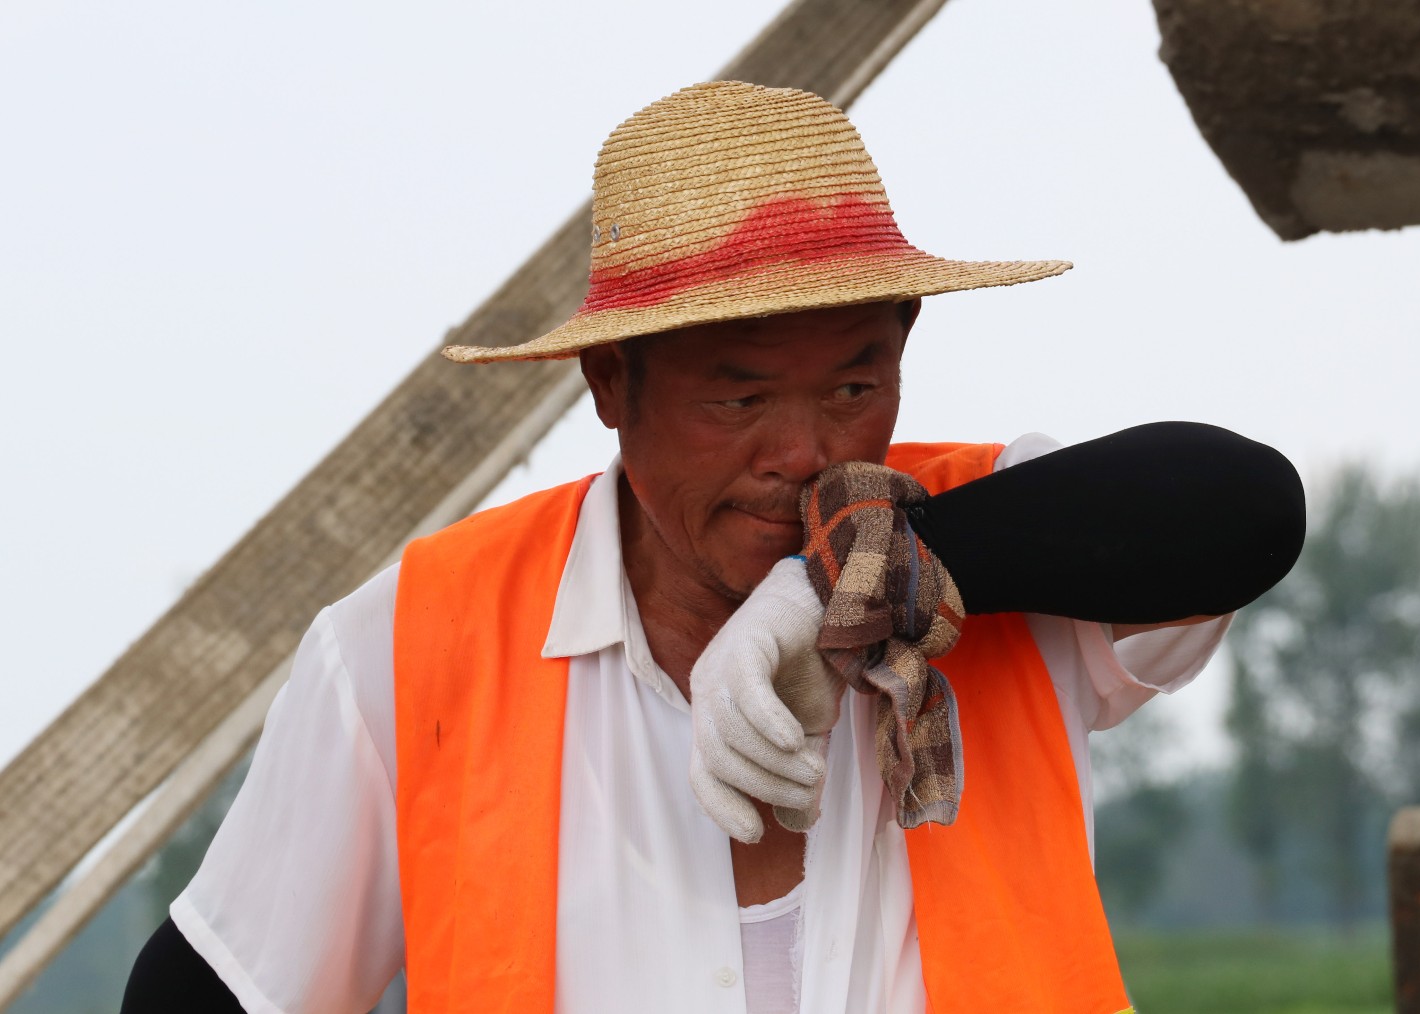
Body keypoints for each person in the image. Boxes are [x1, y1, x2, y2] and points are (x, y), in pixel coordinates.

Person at [122, 81, 1304, 1014]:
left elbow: (1242, 506)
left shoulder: (999, 532)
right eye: (735, 402)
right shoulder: (413, 648)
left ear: (906, 343)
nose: (802, 453)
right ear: (606, 383)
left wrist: (835, 585)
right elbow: (213, 990)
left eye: (854, 382)